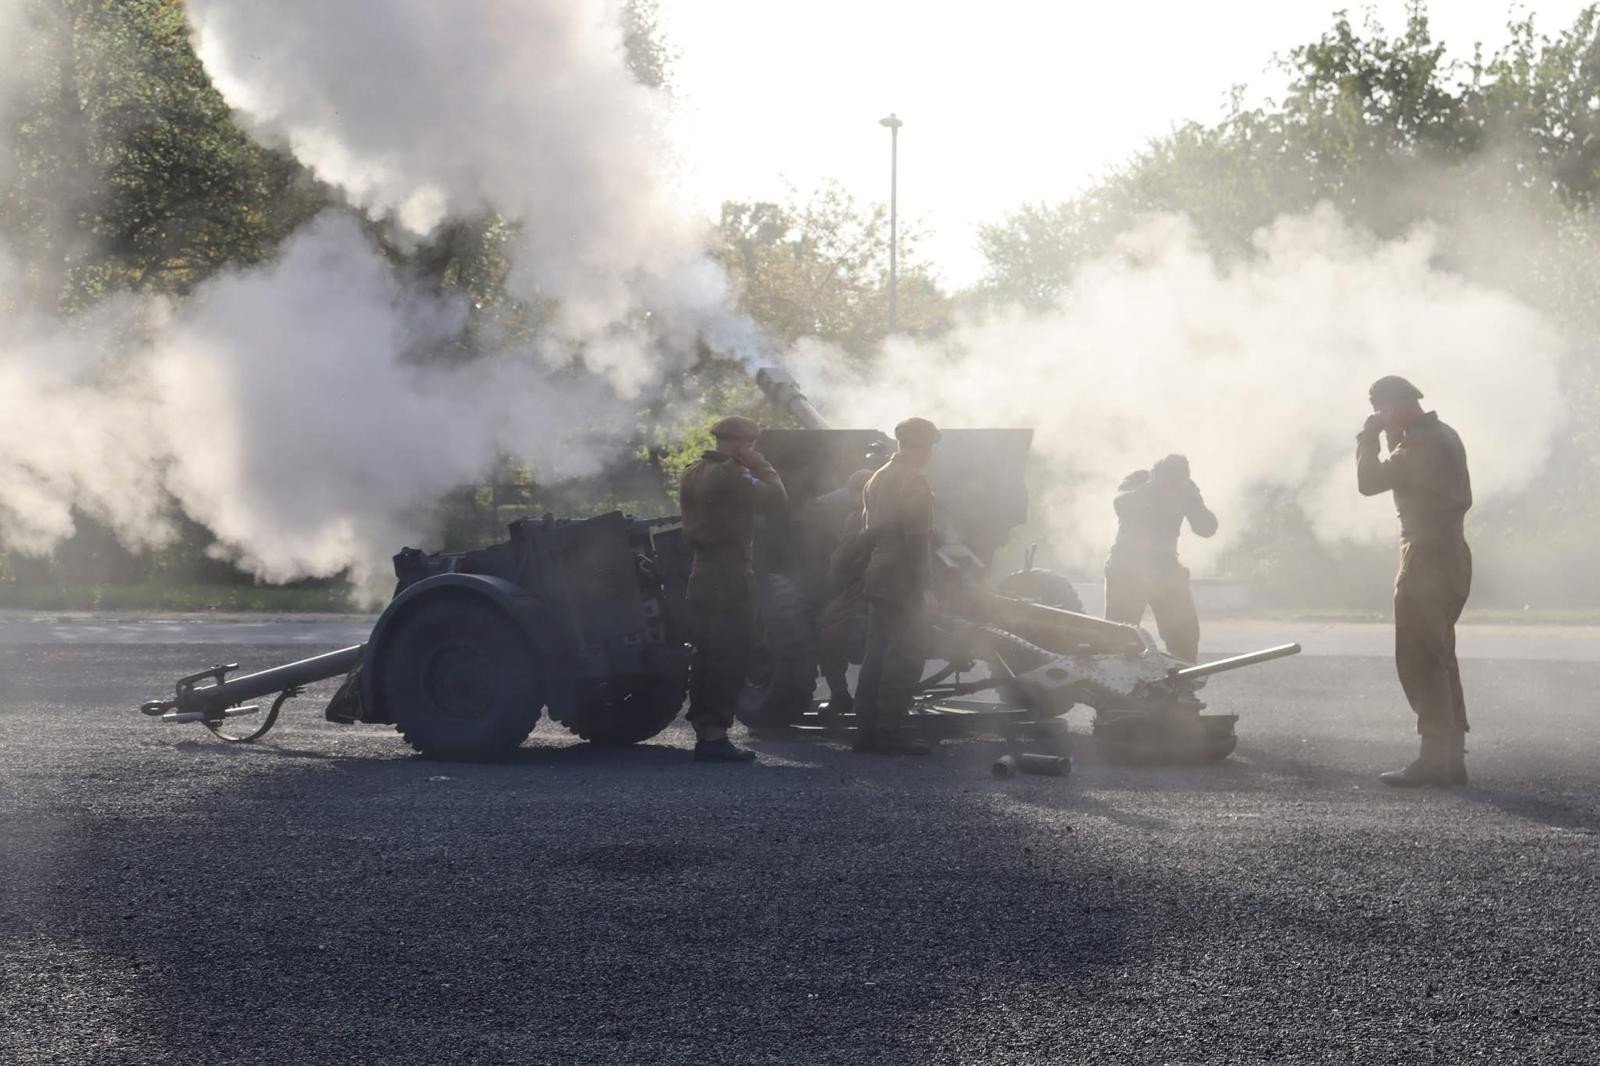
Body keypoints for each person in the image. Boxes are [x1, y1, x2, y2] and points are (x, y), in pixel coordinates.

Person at [1357, 375, 1473, 788]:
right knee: (1440, 655)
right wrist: (1391, 433)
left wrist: (1367, 439)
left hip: (1425, 557)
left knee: (1420, 658)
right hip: (1451, 553)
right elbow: (1406, 474)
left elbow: (1369, 482)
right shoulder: (1443, 435)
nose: (1380, 416)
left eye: (1382, 409)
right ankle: (1450, 757)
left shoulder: (1421, 444)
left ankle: (1434, 760)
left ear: (1400, 404)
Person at [678, 415, 788, 762]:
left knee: (706, 657)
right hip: (728, 577)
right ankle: (714, 736)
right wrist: (762, 465)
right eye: (750, 445)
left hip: (701, 574)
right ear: (742, 445)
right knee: (728, 658)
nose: (753, 450)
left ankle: (705, 732)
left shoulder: (692, 471)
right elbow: (776, 498)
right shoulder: (734, 475)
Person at [853, 418, 942, 755]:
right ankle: (888, 733)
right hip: (903, 577)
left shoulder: (878, 477)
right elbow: (917, 541)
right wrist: (927, 590)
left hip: (879, 571)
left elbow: (867, 529)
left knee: (876, 654)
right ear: (925, 446)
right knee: (905, 655)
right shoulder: (914, 481)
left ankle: (866, 732)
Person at [1103, 453, 1216, 664]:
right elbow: (1121, 505)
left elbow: (1207, 528)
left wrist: (1194, 500)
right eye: (1170, 475)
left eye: (1180, 476)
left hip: (1166, 568)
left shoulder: (1185, 489)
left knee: (1184, 638)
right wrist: (1153, 486)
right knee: (1119, 637)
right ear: (1158, 471)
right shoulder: (1138, 480)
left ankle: (1183, 679)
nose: (1173, 482)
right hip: (1128, 567)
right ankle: (1118, 678)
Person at [816, 469, 876, 716]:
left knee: (828, 628)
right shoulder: (895, 512)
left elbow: (844, 559)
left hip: (864, 590)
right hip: (893, 587)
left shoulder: (858, 517)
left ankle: (840, 695)